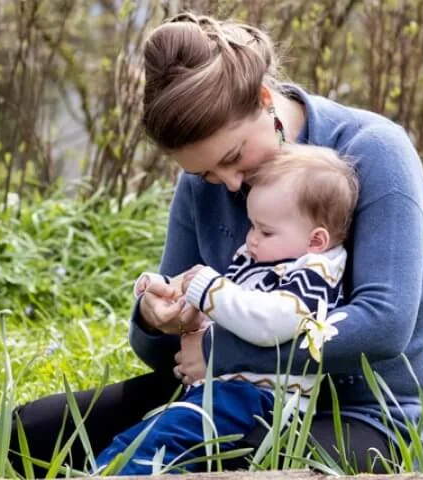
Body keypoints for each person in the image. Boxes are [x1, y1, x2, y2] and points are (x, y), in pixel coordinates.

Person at [9, 12, 423, 475]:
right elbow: (165, 356)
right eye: (206, 174)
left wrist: (222, 351)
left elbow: (385, 324)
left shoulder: (373, 150)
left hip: (364, 419)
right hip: (228, 395)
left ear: (264, 99)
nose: (231, 184)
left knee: (207, 459)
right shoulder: (204, 185)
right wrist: (155, 319)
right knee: (34, 432)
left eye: (234, 157)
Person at [93, 144, 359, 474]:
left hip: (261, 400)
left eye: (265, 230)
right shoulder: (268, 261)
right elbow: (233, 313)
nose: (251, 239)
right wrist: (175, 296)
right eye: (251, 225)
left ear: (316, 241)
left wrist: (211, 291)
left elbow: (272, 322)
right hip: (228, 391)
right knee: (149, 437)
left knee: (164, 442)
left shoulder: (312, 273)